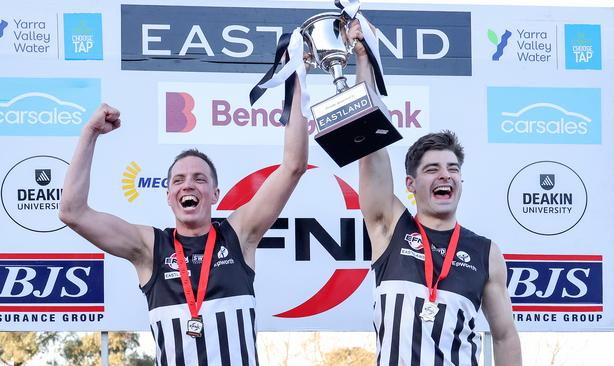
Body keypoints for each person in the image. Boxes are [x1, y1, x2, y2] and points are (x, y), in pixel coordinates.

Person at [59, 80, 308, 365]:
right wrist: (89, 133)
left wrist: (294, 78)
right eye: (178, 180)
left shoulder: (238, 235)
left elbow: (293, 166)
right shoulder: (151, 248)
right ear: (168, 196)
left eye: (199, 179)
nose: (188, 185)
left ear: (215, 194)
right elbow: (72, 212)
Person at [348, 21, 522, 365]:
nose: (446, 176)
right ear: (411, 185)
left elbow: (504, 336)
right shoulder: (390, 228)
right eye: (433, 169)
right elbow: (370, 146)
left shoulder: (485, 253)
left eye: (452, 169)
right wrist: (364, 60)